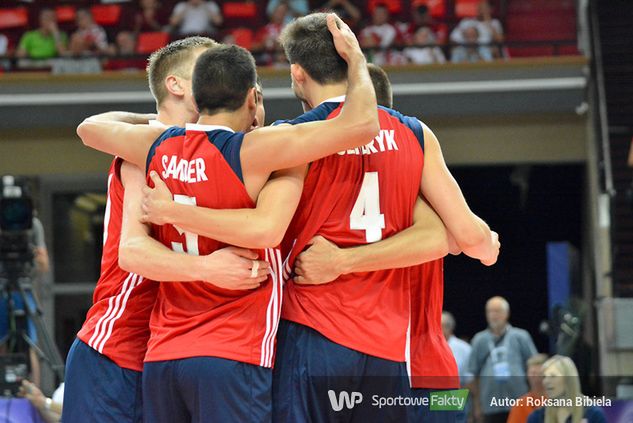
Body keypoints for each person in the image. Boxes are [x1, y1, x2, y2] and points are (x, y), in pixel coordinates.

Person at [76, 15, 380, 422]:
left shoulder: (153, 147)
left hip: (162, 352)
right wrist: (356, 59)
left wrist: (173, 210)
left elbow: (89, 128)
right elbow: (362, 124)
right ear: (251, 98)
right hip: (203, 348)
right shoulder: (251, 151)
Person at [62, 36, 267, 423]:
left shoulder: (214, 149)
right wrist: (210, 268)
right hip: (117, 348)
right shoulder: (144, 151)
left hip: (172, 351)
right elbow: (133, 253)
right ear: (175, 85)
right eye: (205, 69)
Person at [469, 296, 538, 423]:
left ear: (507, 313)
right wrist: (477, 405)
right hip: (489, 404)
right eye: (490, 311)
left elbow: (534, 366)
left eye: (497, 311)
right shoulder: (479, 340)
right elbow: (473, 374)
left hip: (518, 401)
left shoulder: (521, 336)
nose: (493, 315)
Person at [527, 355, 607, 423]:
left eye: (553, 376)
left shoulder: (592, 414)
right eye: (544, 377)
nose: (546, 381)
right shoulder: (537, 417)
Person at [508, 353, 549, 423]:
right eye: (532, 373)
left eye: (539, 373)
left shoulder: (556, 401)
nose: (535, 378)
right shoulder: (520, 404)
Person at [442, 311, 473, 386]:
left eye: (442, 326)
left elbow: (470, 378)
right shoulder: (427, 348)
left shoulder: (464, 348)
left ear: (450, 328)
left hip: (457, 390)